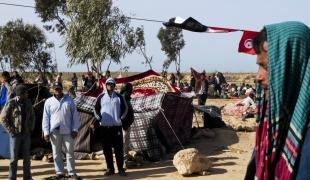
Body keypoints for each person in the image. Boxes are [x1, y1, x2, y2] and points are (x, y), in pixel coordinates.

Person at [244, 22, 310, 180]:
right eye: (258, 67)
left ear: (293, 67)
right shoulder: (272, 129)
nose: (258, 77)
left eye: (266, 67)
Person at [42, 82, 81, 180]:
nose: (57, 90)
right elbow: (45, 118)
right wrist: (46, 132)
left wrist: (75, 129)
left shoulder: (69, 100)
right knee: (56, 153)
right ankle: (59, 172)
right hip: (54, 132)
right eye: (55, 89)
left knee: (70, 152)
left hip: (68, 131)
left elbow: (75, 116)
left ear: (61, 89)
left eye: (59, 88)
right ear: (53, 90)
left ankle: (71, 172)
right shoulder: (49, 101)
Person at [94, 78, 128, 176]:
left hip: (116, 127)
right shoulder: (100, 97)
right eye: (108, 84)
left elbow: (125, 109)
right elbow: (96, 109)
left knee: (118, 149)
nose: (110, 85)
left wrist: (121, 118)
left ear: (114, 85)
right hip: (105, 127)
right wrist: (100, 119)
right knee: (107, 149)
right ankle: (110, 169)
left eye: (112, 84)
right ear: (106, 85)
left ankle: (121, 169)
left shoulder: (119, 97)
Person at [0, 84, 35, 180]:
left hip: (26, 134)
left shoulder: (28, 102)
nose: (27, 94)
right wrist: (10, 130)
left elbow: (32, 116)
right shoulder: (11, 103)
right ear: (20, 94)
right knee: (13, 159)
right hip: (15, 135)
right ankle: (12, 177)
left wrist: (30, 127)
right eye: (25, 93)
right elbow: (3, 118)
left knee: (27, 158)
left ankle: (27, 177)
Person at [120, 83, 134, 169]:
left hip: (127, 125)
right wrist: (124, 124)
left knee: (125, 144)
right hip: (124, 126)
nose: (131, 91)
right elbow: (122, 113)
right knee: (123, 144)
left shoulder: (127, 99)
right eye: (130, 89)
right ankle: (123, 162)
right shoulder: (123, 99)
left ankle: (124, 160)